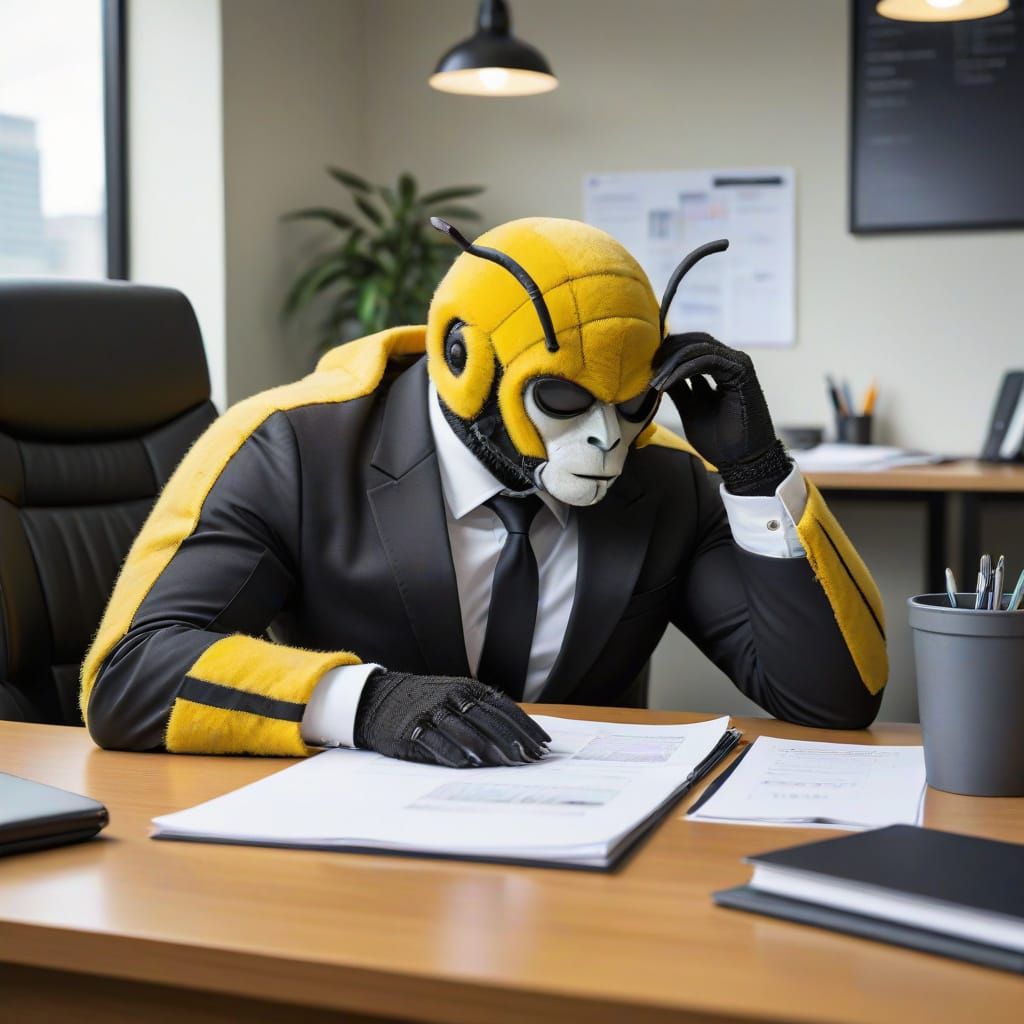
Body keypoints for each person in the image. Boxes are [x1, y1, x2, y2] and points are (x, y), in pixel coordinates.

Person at [81, 217, 887, 766]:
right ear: (462, 358)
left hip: (588, 870)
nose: (607, 438)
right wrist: (363, 702)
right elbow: (129, 674)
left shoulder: (663, 474)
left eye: (630, 401)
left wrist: (756, 476)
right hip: (347, 870)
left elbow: (834, 700)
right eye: (562, 400)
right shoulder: (291, 446)